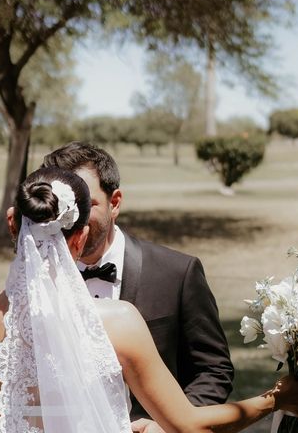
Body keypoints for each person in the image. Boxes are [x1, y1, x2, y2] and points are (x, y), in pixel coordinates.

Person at [0, 167, 298, 433]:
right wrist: (275, 398)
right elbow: (190, 426)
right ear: (82, 234)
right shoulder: (119, 322)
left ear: (13, 224)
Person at [41, 142, 234, 425]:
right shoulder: (36, 282)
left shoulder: (177, 272)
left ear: (115, 202)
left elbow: (214, 371)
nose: (71, 218)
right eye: (62, 207)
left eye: (86, 204)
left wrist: (167, 425)